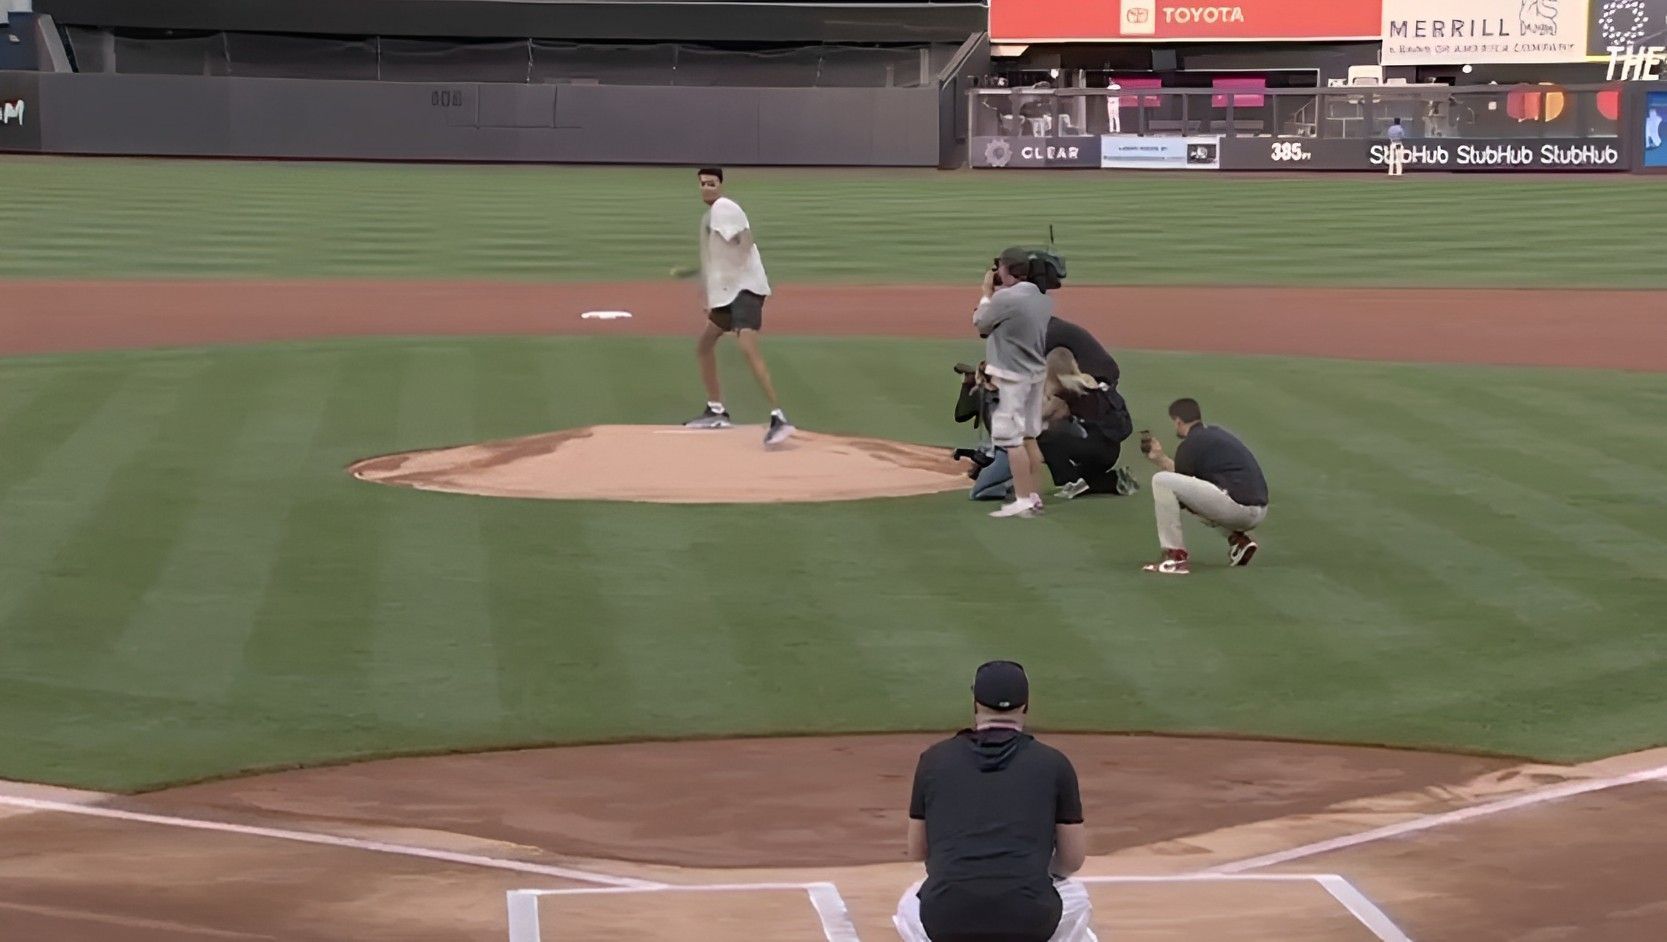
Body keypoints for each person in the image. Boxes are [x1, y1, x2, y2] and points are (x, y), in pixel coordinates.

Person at [894, 661, 1097, 942]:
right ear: (1025, 706)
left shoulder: (933, 760)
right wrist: (1030, 871)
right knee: (1076, 896)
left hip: (946, 921)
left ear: (976, 704)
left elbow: (917, 850)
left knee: (909, 903)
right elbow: (1072, 860)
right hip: (1030, 921)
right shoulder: (1054, 764)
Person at [681, 168, 795, 447]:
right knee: (705, 345)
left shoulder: (724, 208)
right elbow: (720, 260)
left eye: (712, 183)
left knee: (748, 349)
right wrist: (711, 296)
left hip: (745, 291)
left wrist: (740, 264)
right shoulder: (712, 214)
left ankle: (779, 416)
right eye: (703, 184)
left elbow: (744, 239)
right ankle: (716, 410)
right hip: (728, 294)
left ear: (721, 185)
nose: (707, 188)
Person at [1138, 398, 1269, 576]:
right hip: (1258, 510)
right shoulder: (1215, 435)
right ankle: (1239, 541)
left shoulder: (1190, 445)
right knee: (1178, 489)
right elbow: (1188, 485)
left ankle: (1174, 558)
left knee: (1161, 481)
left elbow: (1178, 488)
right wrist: (1160, 459)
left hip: (1237, 509)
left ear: (1177, 421)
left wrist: (1160, 461)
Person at [974, 247, 1057, 519]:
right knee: (1030, 436)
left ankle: (1022, 499)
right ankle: (1034, 496)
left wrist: (987, 294)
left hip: (1012, 377)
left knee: (1012, 440)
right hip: (1035, 374)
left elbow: (981, 324)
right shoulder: (1041, 298)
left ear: (1007, 270)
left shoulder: (1006, 298)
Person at [1038, 348, 1138, 500]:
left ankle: (1069, 482)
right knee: (1083, 477)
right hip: (1110, 449)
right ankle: (1114, 480)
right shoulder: (1089, 381)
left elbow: (1043, 417)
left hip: (1095, 448)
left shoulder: (1066, 389)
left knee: (1044, 439)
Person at [952, 362, 1016, 501]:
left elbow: (961, 415)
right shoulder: (993, 394)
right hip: (1009, 452)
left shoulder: (992, 396)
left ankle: (1012, 486)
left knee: (977, 493)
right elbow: (961, 415)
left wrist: (967, 384)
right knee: (977, 472)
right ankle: (1011, 481)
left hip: (1009, 455)